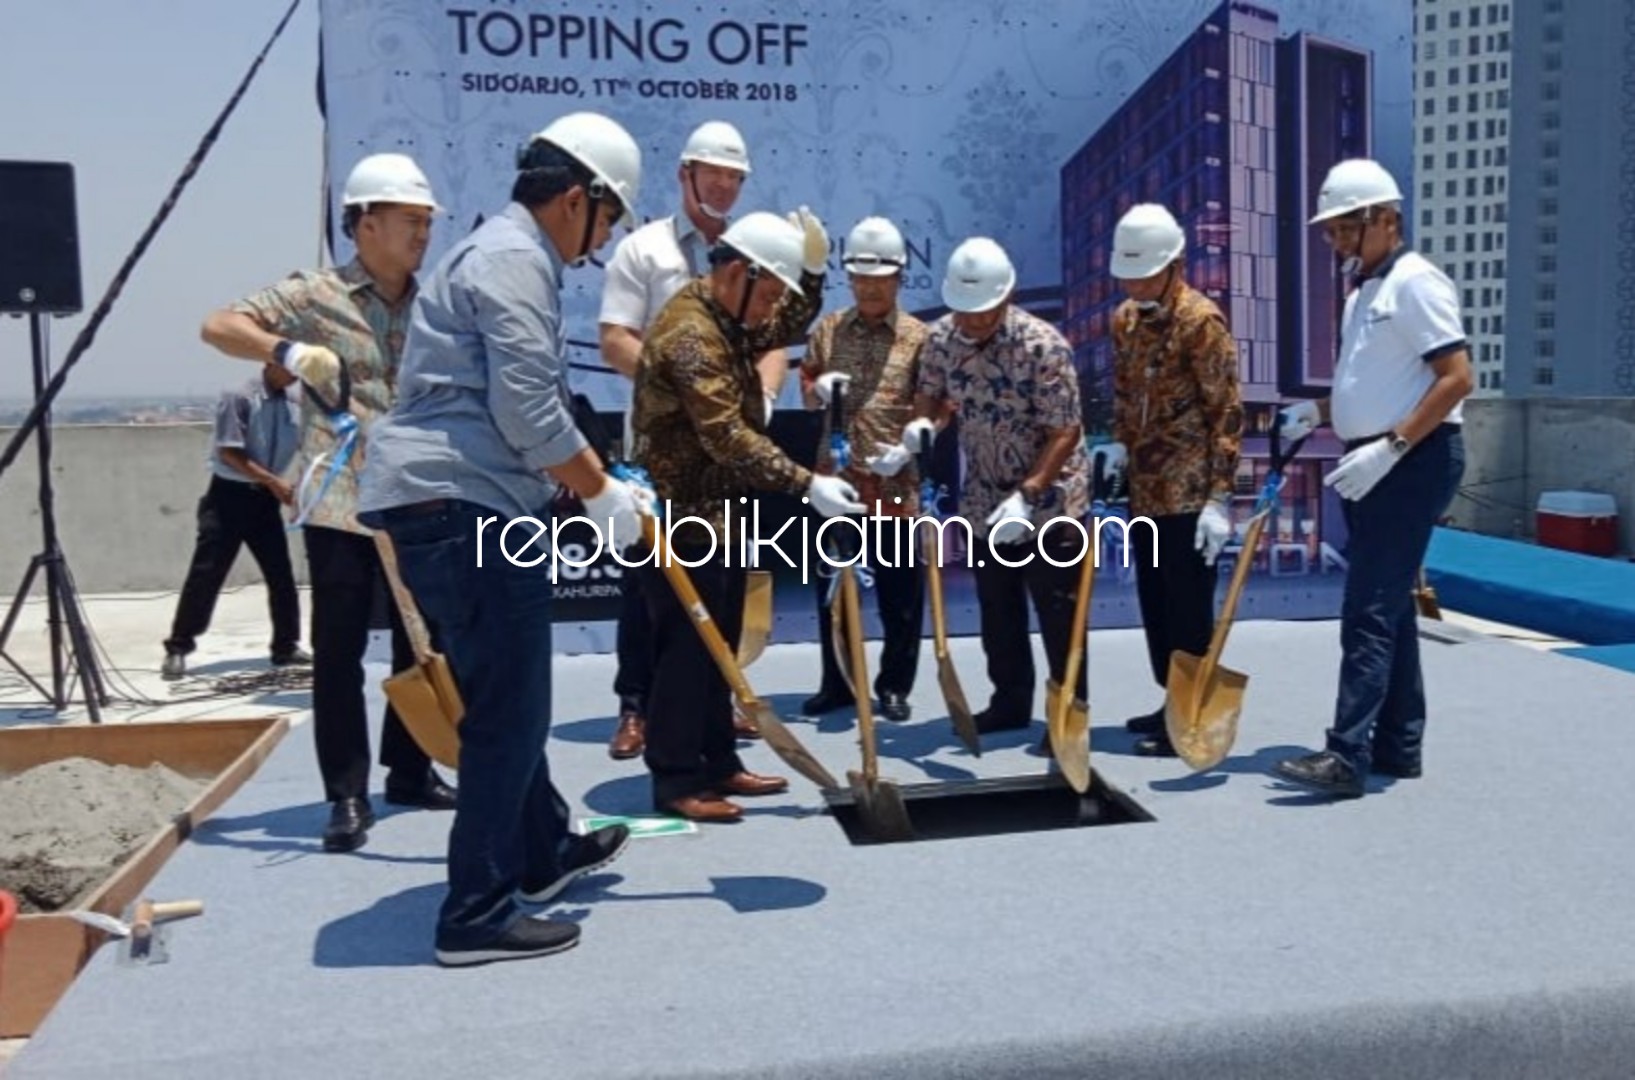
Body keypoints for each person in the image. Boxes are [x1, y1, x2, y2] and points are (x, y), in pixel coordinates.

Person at [358, 112, 652, 966]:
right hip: (465, 508)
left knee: (504, 701)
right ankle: (477, 913)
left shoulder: (495, 254)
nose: (599, 245)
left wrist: (592, 478)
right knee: (511, 715)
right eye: (605, 224)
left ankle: (542, 849)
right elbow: (525, 412)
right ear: (577, 200)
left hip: (455, 505)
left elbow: (526, 405)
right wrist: (598, 490)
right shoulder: (514, 261)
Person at [200, 152, 455, 854]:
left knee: (422, 640)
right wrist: (286, 347)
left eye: (428, 223)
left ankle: (409, 770)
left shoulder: (432, 302)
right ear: (365, 223)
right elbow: (218, 324)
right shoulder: (314, 293)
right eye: (409, 221)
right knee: (339, 651)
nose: (421, 235)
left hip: (417, 496)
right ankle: (345, 793)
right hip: (341, 501)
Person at [631, 208, 862, 822]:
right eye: (767, 294)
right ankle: (676, 779)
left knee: (721, 644)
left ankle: (716, 762)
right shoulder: (692, 334)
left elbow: (783, 319)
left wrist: (811, 272)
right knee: (688, 646)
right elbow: (726, 436)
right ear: (737, 273)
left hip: (721, 509)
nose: (770, 314)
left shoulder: (730, 315)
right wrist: (805, 482)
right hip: (680, 514)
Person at [1271, 158, 1472, 798]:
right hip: (1378, 460)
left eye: (1343, 229)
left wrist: (1391, 446)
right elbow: (1379, 385)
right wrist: (1321, 412)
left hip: (1412, 461)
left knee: (1367, 609)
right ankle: (1398, 745)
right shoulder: (1365, 292)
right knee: (1389, 610)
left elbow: (1456, 378)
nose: (1334, 242)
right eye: (1329, 231)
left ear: (1385, 219)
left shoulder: (1415, 284)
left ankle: (1346, 755)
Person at [598, 121, 780, 760]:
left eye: (735, 177)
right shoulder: (643, 250)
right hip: (663, 454)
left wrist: (760, 402)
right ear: (685, 175)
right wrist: (689, 388)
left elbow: (772, 344)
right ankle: (636, 708)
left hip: (725, 457)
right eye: (715, 174)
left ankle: (716, 701)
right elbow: (616, 337)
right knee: (650, 587)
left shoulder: (754, 251)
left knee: (722, 586)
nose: (725, 186)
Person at [899, 237, 1091, 737]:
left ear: (1007, 297)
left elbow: (1065, 429)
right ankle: (1009, 701)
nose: (974, 323)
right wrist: (922, 428)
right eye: (966, 313)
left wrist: (1027, 495)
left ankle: (1068, 713)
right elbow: (931, 396)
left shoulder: (1043, 345)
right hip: (984, 493)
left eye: (984, 313)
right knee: (997, 608)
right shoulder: (942, 338)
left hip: (1052, 500)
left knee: (1058, 613)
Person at [1104, 204, 1243, 757]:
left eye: (1144, 273)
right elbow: (1121, 392)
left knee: (1188, 610)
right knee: (1155, 606)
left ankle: (1192, 715)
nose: (1134, 284)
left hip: (1189, 493)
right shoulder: (1125, 321)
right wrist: (1116, 442)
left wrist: (1219, 497)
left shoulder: (1201, 322)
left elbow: (1226, 411)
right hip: (1145, 490)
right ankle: (1171, 702)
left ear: (1173, 265)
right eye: (1128, 274)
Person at [800, 216, 927, 722]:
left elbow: (932, 403)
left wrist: (913, 440)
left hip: (896, 484)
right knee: (833, 591)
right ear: (849, 278)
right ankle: (838, 684)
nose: (870, 287)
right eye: (860, 278)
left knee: (900, 595)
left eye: (880, 278)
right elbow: (806, 392)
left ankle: (894, 686)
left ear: (899, 277)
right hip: (837, 483)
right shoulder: (829, 329)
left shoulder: (920, 337)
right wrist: (816, 390)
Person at [161, 366, 310, 679]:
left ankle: (285, 646)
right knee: (206, 575)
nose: (296, 376)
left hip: (265, 499)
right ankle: (178, 647)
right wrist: (274, 482)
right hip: (228, 497)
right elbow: (230, 452)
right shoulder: (239, 395)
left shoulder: (294, 402)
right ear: (271, 363)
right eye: (291, 369)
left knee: (280, 574)